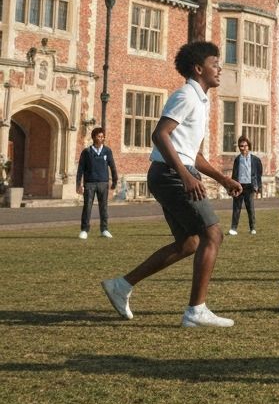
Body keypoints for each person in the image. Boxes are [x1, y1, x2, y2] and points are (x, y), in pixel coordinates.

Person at [101, 41, 242, 327]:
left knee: (190, 242)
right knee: (213, 235)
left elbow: (193, 152)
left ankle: (122, 285)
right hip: (170, 173)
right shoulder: (187, 95)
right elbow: (160, 134)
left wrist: (222, 178)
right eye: (216, 65)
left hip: (170, 172)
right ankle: (196, 311)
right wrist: (186, 176)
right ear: (199, 68)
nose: (220, 70)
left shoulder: (200, 100)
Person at [76, 127, 118, 240]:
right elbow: (80, 169)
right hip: (90, 183)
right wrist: (78, 184)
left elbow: (112, 166)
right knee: (87, 207)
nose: (101, 138)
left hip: (103, 183)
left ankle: (104, 229)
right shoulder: (87, 152)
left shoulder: (107, 151)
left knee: (103, 207)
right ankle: (84, 230)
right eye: (99, 136)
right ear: (94, 137)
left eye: (102, 136)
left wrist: (114, 180)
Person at [228, 136, 263, 235]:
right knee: (236, 208)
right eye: (241, 146)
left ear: (249, 146)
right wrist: (232, 187)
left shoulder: (255, 160)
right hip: (239, 186)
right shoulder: (237, 160)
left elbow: (259, 174)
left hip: (249, 186)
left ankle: (252, 228)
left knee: (250, 208)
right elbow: (234, 174)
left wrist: (258, 187)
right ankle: (233, 229)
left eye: (245, 146)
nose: (243, 148)